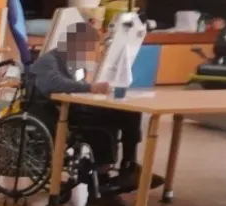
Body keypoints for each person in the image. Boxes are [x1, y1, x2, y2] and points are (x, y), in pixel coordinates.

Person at [29, 21, 142, 187]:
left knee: (129, 114)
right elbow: (55, 84)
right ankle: (100, 178)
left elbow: (77, 85)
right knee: (104, 125)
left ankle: (128, 165)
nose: (87, 52)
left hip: (75, 107)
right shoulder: (49, 60)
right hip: (56, 111)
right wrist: (91, 87)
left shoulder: (73, 62)